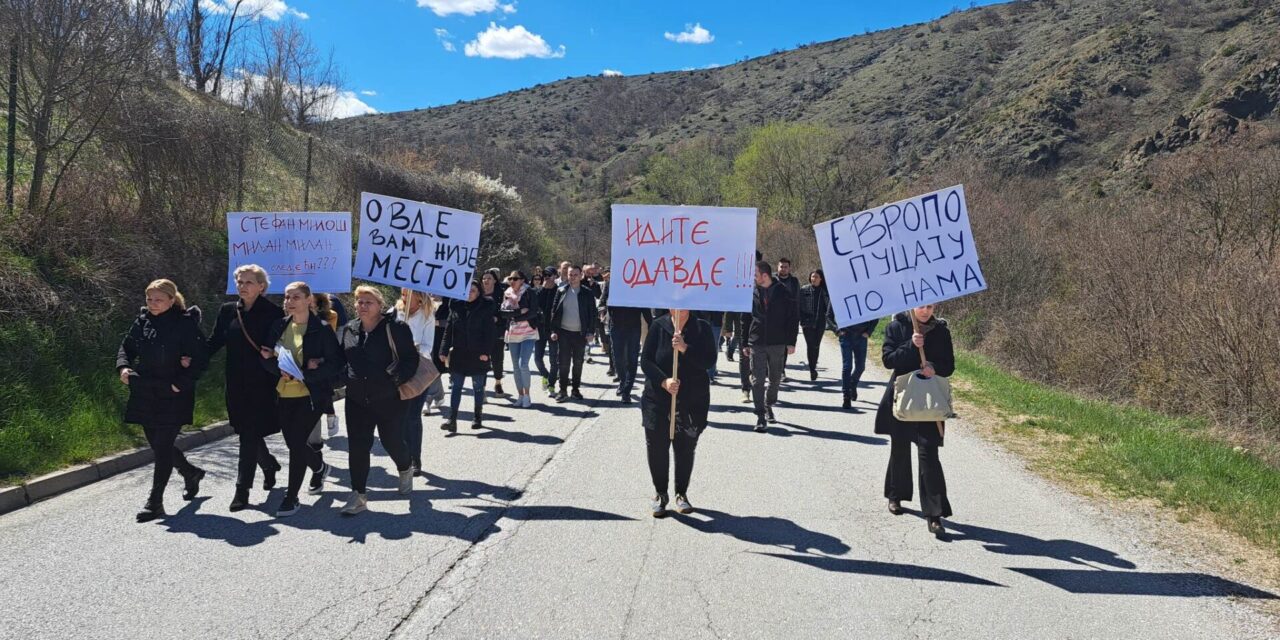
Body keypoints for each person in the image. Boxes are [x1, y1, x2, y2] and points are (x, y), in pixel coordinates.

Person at [116, 279, 208, 522]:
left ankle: (154, 502)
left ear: (171, 300)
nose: (153, 304)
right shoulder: (143, 320)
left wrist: (182, 382)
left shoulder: (185, 324)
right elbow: (126, 347)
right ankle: (190, 473)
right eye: (149, 299)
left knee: (163, 445)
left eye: (158, 299)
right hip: (145, 390)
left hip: (173, 392)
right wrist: (123, 367)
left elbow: (200, 359)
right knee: (158, 445)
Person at [261, 282, 344, 517]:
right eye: (287, 297)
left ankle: (291, 497)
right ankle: (320, 467)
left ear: (309, 300)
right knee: (293, 443)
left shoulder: (322, 329)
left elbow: (336, 364)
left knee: (297, 445)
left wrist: (309, 373)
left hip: (311, 395)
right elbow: (265, 356)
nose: (289, 301)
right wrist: (279, 370)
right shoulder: (279, 326)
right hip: (284, 393)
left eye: (296, 297)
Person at [207, 264, 283, 512]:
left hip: (262, 383)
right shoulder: (228, 311)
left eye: (248, 282)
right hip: (236, 383)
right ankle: (269, 464)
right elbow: (215, 342)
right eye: (239, 282)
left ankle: (242, 490)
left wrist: (272, 351)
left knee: (249, 433)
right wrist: (191, 360)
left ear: (262, 286)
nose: (242, 286)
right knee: (245, 431)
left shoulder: (273, 313)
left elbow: (281, 346)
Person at [337, 285, 418, 516]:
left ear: (380, 305)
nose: (362, 306)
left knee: (391, 441)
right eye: (359, 301)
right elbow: (344, 359)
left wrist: (394, 382)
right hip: (356, 400)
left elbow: (409, 360)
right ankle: (358, 494)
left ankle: (405, 467)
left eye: (368, 302)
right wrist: (341, 378)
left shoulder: (396, 328)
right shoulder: (350, 329)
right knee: (358, 447)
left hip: (389, 399)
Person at [877, 304, 955, 537]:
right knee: (899, 448)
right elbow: (889, 360)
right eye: (921, 306)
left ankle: (934, 514)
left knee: (929, 452)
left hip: (929, 401)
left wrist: (933, 367)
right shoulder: (896, 327)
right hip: (903, 398)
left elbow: (949, 366)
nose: (925, 311)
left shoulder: (941, 330)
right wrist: (911, 345)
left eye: (930, 306)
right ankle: (895, 495)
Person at [639, 309, 716, 517]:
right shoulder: (658, 326)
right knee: (656, 447)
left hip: (691, 400)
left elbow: (709, 361)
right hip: (658, 398)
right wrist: (664, 381)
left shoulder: (702, 328)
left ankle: (681, 493)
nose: (679, 308)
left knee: (684, 448)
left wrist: (684, 348)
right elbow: (646, 361)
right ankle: (660, 493)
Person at [745, 261, 798, 432]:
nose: (753, 278)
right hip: (757, 341)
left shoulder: (784, 292)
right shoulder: (751, 292)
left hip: (777, 342)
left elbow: (792, 318)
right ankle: (760, 415)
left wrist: (791, 342)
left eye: (756, 274)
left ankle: (769, 404)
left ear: (765, 276)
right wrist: (745, 342)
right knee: (757, 380)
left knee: (775, 379)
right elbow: (745, 319)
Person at [440, 280, 497, 432]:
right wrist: (443, 351)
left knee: (478, 388)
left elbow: (490, 333)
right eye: (466, 290)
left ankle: (477, 416)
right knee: (456, 387)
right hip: (459, 354)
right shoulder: (456, 307)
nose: (469, 294)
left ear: (478, 293)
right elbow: (448, 331)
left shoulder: (485, 308)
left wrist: (486, 352)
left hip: (478, 354)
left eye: (473, 291)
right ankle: (452, 419)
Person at [396, 289, 442, 475]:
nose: (404, 295)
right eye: (403, 292)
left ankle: (415, 458)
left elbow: (427, 346)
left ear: (418, 295)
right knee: (400, 417)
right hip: (397, 370)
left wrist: (412, 346)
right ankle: (404, 456)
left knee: (413, 416)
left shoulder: (427, 316)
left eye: (408, 292)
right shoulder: (396, 312)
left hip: (417, 370)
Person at [550, 265, 597, 402]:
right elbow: (554, 311)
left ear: (581, 275)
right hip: (564, 332)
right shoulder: (561, 290)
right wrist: (553, 330)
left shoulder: (587, 293)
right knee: (563, 363)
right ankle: (562, 390)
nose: (573, 277)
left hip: (580, 333)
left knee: (578, 363)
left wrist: (590, 332)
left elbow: (592, 314)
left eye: (576, 274)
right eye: (570, 274)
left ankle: (575, 389)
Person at [606, 283, 651, 404]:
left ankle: (627, 390)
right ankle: (623, 381)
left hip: (633, 328)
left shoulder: (639, 286)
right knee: (618, 359)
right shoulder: (613, 284)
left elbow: (644, 307)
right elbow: (605, 301)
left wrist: (651, 324)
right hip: (616, 327)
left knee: (632, 359)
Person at [500, 270, 539, 408]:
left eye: (515, 278)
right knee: (516, 365)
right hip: (513, 333)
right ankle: (520, 395)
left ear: (522, 280)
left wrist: (514, 316)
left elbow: (532, 312)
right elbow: (502, 313)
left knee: (523, 364)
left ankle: (527, 395)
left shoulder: (529, 292)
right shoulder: (507, 293)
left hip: (528, 332)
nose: (512, 281)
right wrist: (518, 313)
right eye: (510, 278)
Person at [311, 292, 341, 437]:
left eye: (312, 301)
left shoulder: (331, 315)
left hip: (323, 356)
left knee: (324, 385)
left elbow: (331, 333)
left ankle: (330, 415)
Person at [797, 269, 833, 382]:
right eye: (812, 276)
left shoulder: (825, 291)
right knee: (810, 345)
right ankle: (812, 369)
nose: (814, 278)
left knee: (816, 345)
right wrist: (801, 319)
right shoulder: (804, 289)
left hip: (820, 323)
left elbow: (829, 307)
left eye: (816, 277)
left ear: (821, 278)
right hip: (807, 322)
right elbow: (798, 306)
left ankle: (813, 365)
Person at [838, 315, 879, 409]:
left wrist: (869, 331)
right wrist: (837, 330)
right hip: (845, 336)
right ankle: (846, 396)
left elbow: (875, 315)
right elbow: (829, 315)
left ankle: (852, 383)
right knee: (847, 367)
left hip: (861, 336)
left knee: (861, 367)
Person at [481, 269, 509, 397]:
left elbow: (506, 312)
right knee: (482, 360)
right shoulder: (477, 294)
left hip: (497, 331)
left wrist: (497, 318)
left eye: (489, 278)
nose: (486, 281)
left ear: (494, 281)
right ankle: (482, 388)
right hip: (480, 333)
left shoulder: (501, 294)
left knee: (497, 360)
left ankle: (498, 383)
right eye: (484, 278)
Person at [534, 267, 560, 394]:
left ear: (555, 276)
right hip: (539, 329)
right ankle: (546, 375)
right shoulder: (539, 291)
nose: (546, 277)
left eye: (549, 275)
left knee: (554, 360)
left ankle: (551, 385)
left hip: (554, 329)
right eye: (544, 275)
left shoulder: (559, 291)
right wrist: (544, 289)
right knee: (537, 359)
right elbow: (535, 305)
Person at [774, 258, 801, 383]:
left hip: (789, 319)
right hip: (773, 318)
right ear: (777, 267)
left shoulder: (794, 282)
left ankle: (781, 370)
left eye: (785, 267)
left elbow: (797, 299)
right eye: (781, 266)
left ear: (789, 268)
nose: (783, 269)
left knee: (785, 347)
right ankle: (772, 369)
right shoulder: (772, 280)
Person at [722, 311, 752, 403]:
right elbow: (732, 305)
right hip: (742, 329)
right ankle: (745, 390)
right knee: (744, 359)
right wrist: (728, 328)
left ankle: (753, 378)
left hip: (762, 330)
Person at [428, 294, 450, 415]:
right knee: (427, 369)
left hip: (440, 340)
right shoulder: (424, 302)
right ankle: (430, 399)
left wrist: (436, 322)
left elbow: (451, 321)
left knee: (435, 369)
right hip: (424, 339)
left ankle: (434, 397)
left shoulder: (448, 303)